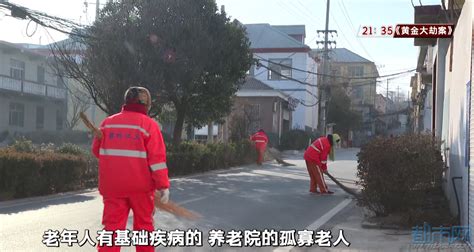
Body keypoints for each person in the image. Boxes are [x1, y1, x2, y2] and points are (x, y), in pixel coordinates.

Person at [92, 87, 170, 252]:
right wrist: (163, 187)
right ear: (147, 104)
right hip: (140, 189)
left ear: (126, 101)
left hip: (112, 187)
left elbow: (97, 152)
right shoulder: (149, 125)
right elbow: (157, 161)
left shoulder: (107, 123)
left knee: (111, 229)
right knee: (144, 228)